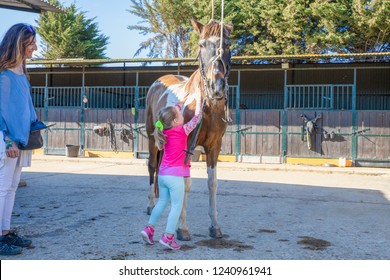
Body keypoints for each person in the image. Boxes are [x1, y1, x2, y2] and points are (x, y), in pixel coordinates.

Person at [141, 94, 203, 250]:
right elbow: (197, 117)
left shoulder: (164, 132)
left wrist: (178, 104)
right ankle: (168, 237)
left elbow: (170, 115)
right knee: (176, 207)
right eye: (181, 115)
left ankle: (149, 229)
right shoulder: (183, 130)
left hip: (162, 175)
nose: (183, 116)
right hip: (176, 177)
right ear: (176, 121)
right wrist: (200, 99)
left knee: (161, 202)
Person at [0, 23, 38, 255]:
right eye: (31, 42)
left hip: (21, 139)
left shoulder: (21, 72)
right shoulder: (4, 76)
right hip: (7, 140)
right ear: (19, 44)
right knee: (2, 188)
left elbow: (25, 106)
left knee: (12, 187)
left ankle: (5, 232)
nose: (35, 47)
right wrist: (8, 140)